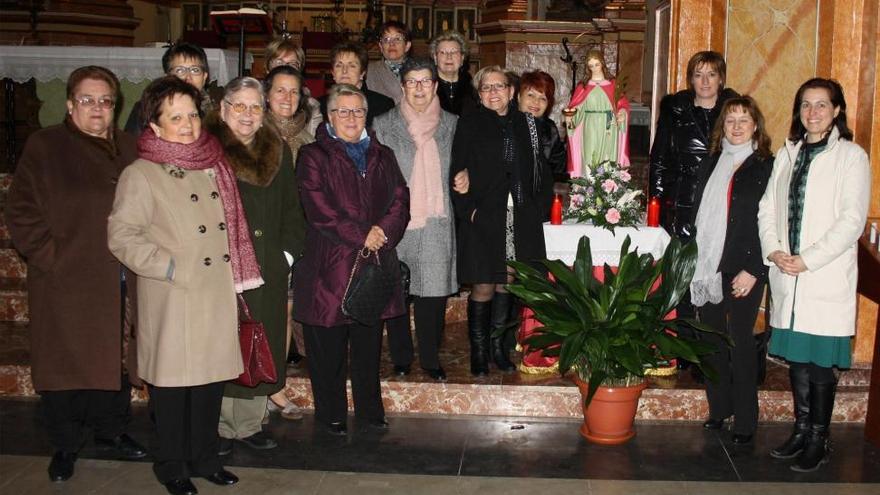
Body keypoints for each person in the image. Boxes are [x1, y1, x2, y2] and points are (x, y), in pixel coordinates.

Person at [108, 76, 252, 495]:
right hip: (174, 295)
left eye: (192, 114)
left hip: (213, 291)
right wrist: (169, 267)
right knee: (173, 390)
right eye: (176, 117)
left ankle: (205, 458)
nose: (188, 125)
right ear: (153, 126)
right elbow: (121, 235)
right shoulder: (141, 173)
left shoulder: (213, 164)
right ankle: (171, 465)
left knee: (208, 385)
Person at [6, 65, 147, 483]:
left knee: (115, 358)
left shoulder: (130, 146)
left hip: (119, 276)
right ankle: (65, 444)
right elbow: (21, 211)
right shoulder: (46, 145)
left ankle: (111, 431)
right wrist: (51, 257)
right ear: (70, 104)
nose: (97, 109)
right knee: (66, 364)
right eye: (87, 100)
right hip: (66, 279)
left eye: (105, 101)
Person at [758, 78, 871, 472]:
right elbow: (768, 207)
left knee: (820, 363)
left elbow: (852, 221)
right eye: (806, 104)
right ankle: (802, 429)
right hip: (788, 274)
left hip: (822, 275)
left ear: (837, 110)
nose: (813, 112)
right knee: (798, 362)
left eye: (822, 105)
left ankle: (820, 439)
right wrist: (773, 249)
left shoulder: (851, 157)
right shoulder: (787, 154)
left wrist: (808, 259)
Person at [294, 84, 409, 435]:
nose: (350, 118)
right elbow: (318, 208)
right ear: (329, 117)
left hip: (372, 264)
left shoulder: (383, 154)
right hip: (330, 265)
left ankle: (370, 410)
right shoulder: (313, 156)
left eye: (357, 111)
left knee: (367, 346)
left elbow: (400, 200)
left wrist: (381, 232)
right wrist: (363, 234)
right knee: (327, 348)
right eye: (342, 111)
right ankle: (331, 414)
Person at [205, 76, 306, 453]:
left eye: (255, 107)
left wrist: (286, 255)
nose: (247, 115)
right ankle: (213, 424)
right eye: (239, 106)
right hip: (217, 264)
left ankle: (248, 425)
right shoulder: (205, 150)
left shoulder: (278, 149)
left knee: (257, 341)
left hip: (266, 265)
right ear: (223, 108)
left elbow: (292, 211)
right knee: (220, 342)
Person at [451, 66, 554, 376]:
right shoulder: (469, 123)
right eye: (486, 88)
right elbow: (456, 171)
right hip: (484, 215)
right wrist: (468, 210)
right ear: (479, 94)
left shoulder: (528, 125)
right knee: (483, 283)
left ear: (511, 92)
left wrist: (539, 211)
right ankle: (479, 352)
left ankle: (499, 348)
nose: (493, 92)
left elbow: (542, 174)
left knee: (507, 283)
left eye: (499, 87)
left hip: (518, 216)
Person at [373, 58, 466, 381]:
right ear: (402, 87)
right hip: (397, 220)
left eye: (425, 82)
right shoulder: (384, 124)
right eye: (412, 82)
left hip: (437, 220)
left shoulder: (453, 124)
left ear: (436, 85)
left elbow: (466, 163)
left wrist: (466, 175)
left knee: (434, 294)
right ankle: (401, 356)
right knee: (396, 291)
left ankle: (429, 357)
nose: (419, 88)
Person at [689, 96, 773, 445]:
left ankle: (746, 420)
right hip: (709, 264)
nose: (737, 126)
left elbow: (771, 221)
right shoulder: (712, 162)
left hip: (744, 266)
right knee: (710, 339)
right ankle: (719, 409)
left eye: (744, 120)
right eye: (731, 120)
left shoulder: (766, 165)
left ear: (756, 126)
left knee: (739, 341)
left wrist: (755, 268)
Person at [649, 50, 738, 240]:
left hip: (720, 199)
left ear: (721, 79)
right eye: (699, 75)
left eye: (711, 75)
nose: (705, 82)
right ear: (691, 80)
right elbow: (659, 159)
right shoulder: (674, 112)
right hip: (682, 201)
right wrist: (656, 203)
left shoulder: (736, 113)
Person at [125, 42, 215, 137]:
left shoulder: (214, 113)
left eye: (195, 70)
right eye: (180, 70)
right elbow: (132, 146)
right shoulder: (146, 109)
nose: (188, 77)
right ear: (167, 77)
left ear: (204, 77)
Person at [564, 50, 630, 175]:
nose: (594, 68)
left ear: (602, 63)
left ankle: (607, 186)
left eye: (597, 64)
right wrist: (571, 117)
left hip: (609, 124)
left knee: (607, 156)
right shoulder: (583, 86)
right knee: (590, 154)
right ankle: (589, 186)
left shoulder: (613, 84)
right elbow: (575, 107)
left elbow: (622, 103)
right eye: (591, 66)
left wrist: (622, 112)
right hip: (590, 125)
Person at [319, 41, 394, 128]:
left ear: (362, 73)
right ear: (333, 73)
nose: (344, 71)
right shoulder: (319, 106)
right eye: (339, 65)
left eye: (352, 66)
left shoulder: (382, 105)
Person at [264, 37, 322, 135]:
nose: (285, 68)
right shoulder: (254, 100)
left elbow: (314, 142)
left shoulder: (311, 106)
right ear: (267, 68)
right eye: (279, 62)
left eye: (293, 64)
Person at [518, 70, 567, 184]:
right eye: (530, 95)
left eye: (543, 98)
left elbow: (559, 169)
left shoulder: (549, 129)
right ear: (519, 97)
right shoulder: (506, 124)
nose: (536, 102)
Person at [430, 31, 478, 116]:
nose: (449, 57)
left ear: (462, 58)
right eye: (443, 52)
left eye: (454, 52)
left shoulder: (473, 87)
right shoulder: (426, 85)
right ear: (435, 58)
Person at [366, 21, 411, 103]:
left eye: (397, 39)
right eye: (386, 39)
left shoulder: (419, 69)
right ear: (380, 46)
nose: (391, 44)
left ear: (407, 46)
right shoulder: (368, 70)